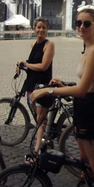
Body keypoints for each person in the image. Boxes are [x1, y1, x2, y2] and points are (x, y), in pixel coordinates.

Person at [30, 7, 94, 187]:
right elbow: (84, 84)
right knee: (85, 160)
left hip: (90, 108)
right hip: (82, 107)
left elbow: (84, 90)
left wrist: (49, 91)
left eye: (86, 23)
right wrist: (64, 86)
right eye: (78, 23)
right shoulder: (88, 49)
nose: (81, 27)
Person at [17, 17, 55, 153]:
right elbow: (32, 64)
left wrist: (27, 64)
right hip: (31, 84)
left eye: (44, 27)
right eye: (39, 27)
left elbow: (44, 66)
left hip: (42, 85)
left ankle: (37, 150)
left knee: (40, 120)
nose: (41, 30)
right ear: (34, 29)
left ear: (47, 30)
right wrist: (22, 65)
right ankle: (44, 140)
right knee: (39, 119)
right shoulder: (34, 45)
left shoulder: (49, 45)